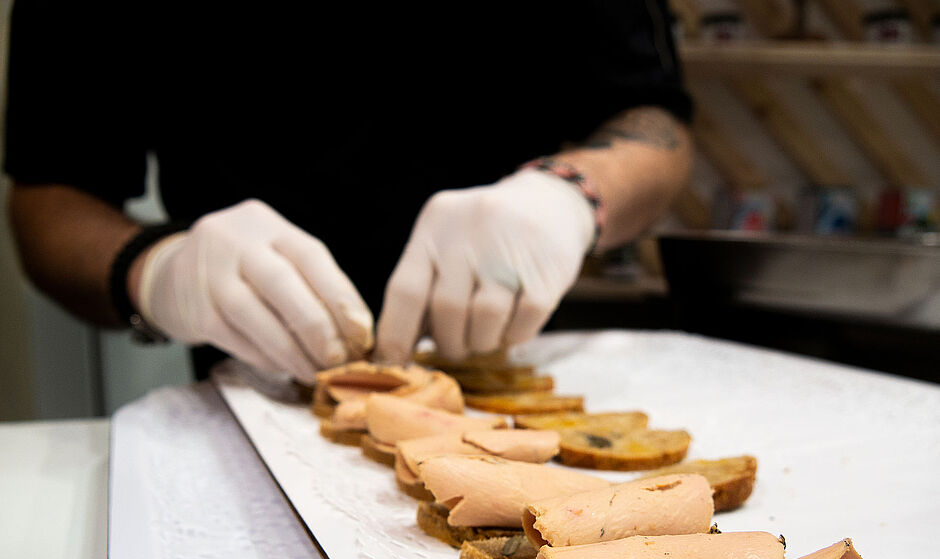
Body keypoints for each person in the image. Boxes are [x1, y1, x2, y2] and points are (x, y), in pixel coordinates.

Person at [4, 2, 693, 385]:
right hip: (253, 386)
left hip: (517, 353)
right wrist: (154, 271)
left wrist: (570, 198)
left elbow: (654, 120)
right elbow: (49, 193)